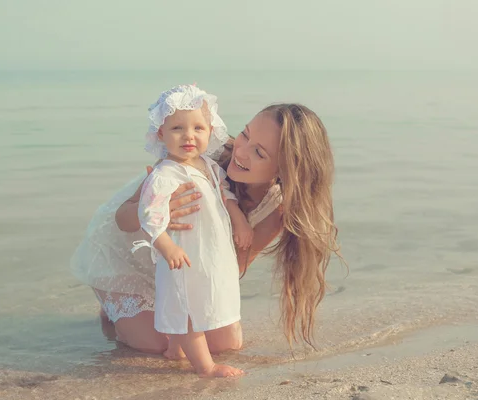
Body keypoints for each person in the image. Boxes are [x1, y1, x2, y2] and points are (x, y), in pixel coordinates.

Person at [70, 101, 342, 360]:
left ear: (285, 171)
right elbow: (122, 219)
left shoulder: (274, 209)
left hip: (184, 267)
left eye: (260, 152)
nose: (242, 151)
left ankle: (147, 312)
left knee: (226, 346)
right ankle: (113, 308)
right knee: (155, 346)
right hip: (128, 254)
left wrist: (192, 311)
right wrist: (153, 211)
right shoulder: (197, 155)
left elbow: (230, 269)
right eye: (245, 135)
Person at [128, 84, 245, 377]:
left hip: (210, 251)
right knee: (188, 306)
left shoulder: (209, 166)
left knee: (205, 298)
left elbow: (225, 194)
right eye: (177, 128)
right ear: (161, 134)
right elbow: (150, 213)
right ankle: (206, 367)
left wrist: (240, 221)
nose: (189, 135)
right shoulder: (165, 173)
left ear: (211, 131)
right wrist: (166, 244)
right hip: (183, 251)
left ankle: (174, 350)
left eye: (198, 128)